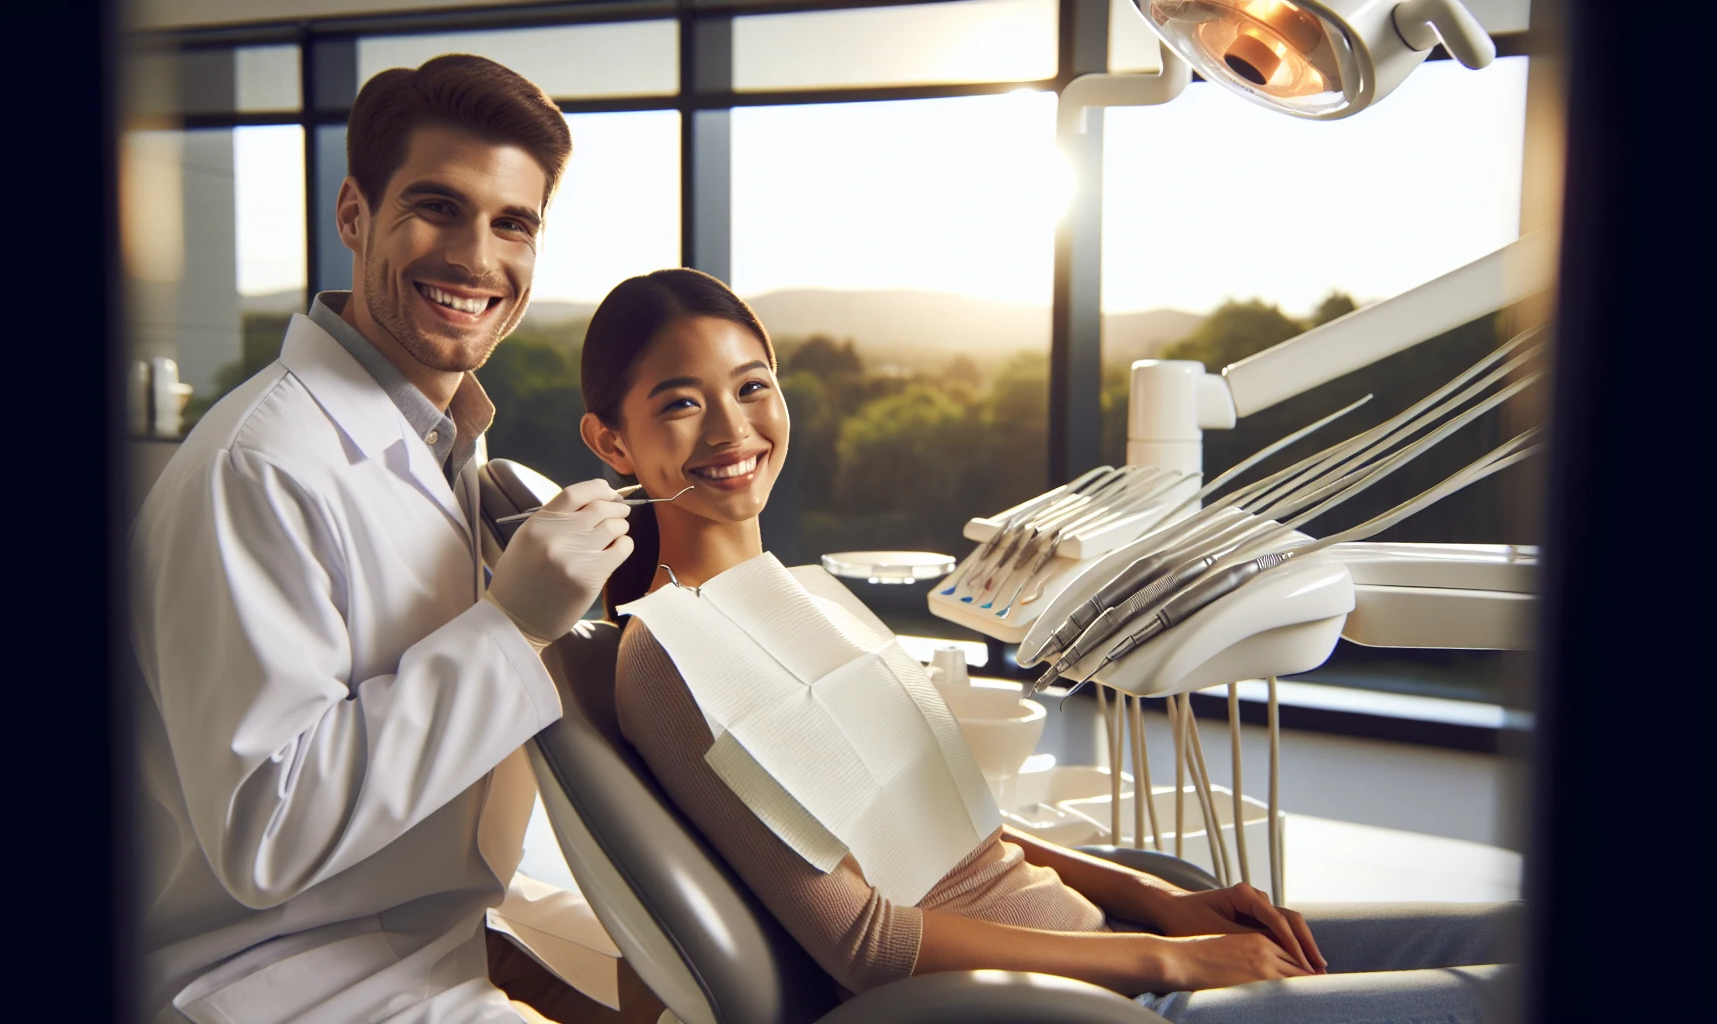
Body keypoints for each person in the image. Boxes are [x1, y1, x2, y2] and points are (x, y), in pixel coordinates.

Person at [576, 267, 1523, 1022]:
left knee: (1521, 933)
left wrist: (1157, 902)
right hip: (1076, 1005)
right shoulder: (667, 658)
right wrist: (1166, 960)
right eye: (681, 404)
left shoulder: (801, 594)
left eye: (752, 386)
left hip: (1107, 949)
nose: (735, 428)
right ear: (612, 442)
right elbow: (867, 943)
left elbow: (958, 828)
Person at [131, 55, 656, 1024]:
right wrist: (512, 626)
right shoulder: (259, 469)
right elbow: (267, 831)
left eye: (513, 224)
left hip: (434, 928)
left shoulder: (447, 444)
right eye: (437, 207)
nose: (474, 257)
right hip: (281, 979)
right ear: (353, 215)